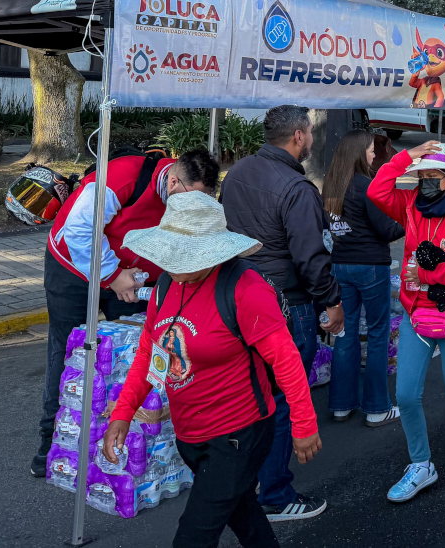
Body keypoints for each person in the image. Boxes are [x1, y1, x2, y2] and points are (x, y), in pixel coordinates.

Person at [102, 191, 320, 548]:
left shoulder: (245, 288)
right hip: (190, 433)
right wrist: (124, 412)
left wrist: (304, 424)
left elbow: (286, 360)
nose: (174, 263)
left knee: (193, 537)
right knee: (243, 513)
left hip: (239, 433)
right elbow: (149, 354)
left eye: (185, 255)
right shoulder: (166, 285)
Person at [34, 148, 219, 477]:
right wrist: (112, 275)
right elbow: (79, 232)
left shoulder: (187, 193)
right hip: (72, 267)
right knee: (66, 352)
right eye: (192, 200)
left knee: (141, 350)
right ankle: (52, 443)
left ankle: (138, 437)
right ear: (173, 181)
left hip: (130, 274)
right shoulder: (122, 178)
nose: (195, 208)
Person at [220, 105, 341, 521]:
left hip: (238, 300)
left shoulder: (236, 174)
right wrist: (331, 302)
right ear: (298, 136)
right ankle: (274, 492)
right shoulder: (296, 187)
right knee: (284, 397)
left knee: (253, 396)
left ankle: (252, 480)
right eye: (308, 133)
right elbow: (312, 258)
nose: (309, 139)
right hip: (288, 305)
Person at [367, 140, 445, 503]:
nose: (424, 181)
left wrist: (427, 274)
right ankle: (421, 464)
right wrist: (410, 155)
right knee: (405, 394)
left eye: (432, 175)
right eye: (421, 175)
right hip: (415, 314)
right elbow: (377, 189)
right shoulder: (410, 204)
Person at [321, 130, 405, 426]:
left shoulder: (331, 186)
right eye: (370, 150)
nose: (373, 154)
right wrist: (406, 219)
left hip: (341, 266)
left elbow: (330, 229)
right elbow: (386, 230)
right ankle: (376, 407)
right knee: (379, 335)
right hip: (370, 267)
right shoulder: (366, 186)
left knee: (344, 333)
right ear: (358, 153)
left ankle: (341, 405)